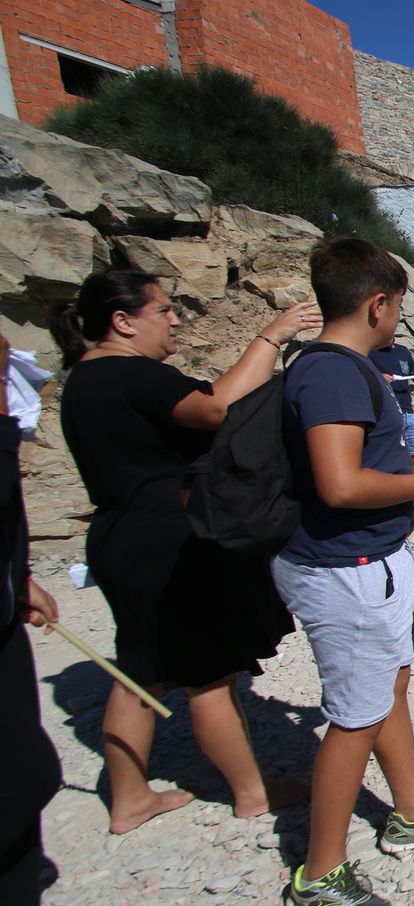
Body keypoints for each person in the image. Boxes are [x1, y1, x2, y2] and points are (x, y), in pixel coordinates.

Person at [274, 238, 414, 906]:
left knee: (388, 684)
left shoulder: (334, 368)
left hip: (369, 561)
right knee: (355, 717)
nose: (397, 320)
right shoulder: (336, 375)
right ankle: (320, 872)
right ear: (377, 304)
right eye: (396, 307)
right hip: (347, 571)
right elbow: (340, 483)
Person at [52, 271, 316, 835]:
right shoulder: (132, 374)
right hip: (168, 538)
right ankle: (251, 792)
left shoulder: (83, 380)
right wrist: (272, 336)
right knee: (210, 674)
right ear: (123, 322)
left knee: (140, 670)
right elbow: (216, 406)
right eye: (163, 311)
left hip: (118, 533)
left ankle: (129, 797)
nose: (175, 319)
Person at [0, 333, 134, 906]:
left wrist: (18, 572)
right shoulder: (114, 381)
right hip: (136, 536)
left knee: (23, 769)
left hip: (17, 603)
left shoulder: (78, 384)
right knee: (21, 772)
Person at [369, 339, 414, 476]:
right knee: (387, 458)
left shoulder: (403, 351)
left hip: (408, 413)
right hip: (386, 413)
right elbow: (359, 374)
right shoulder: (369, 350)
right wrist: (378, 377)